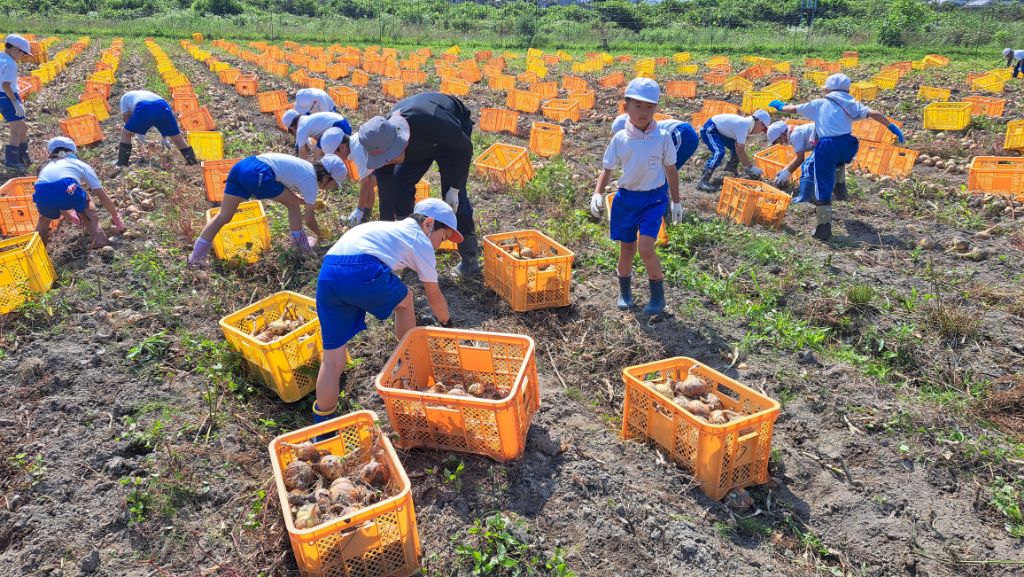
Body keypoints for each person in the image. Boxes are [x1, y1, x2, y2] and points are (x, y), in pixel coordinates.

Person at [311, 197, 460, 426]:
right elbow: (434, 296)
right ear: (429, 223)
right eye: (442, 238)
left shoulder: (384, 228)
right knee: (406, 299)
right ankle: (407, 356)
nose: (439, 245)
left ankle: (322, 425)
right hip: (361, 269)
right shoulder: (419, 240)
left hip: (328, 275)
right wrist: (447, 324)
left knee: (332, 361)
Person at [348, 92, 480, 276]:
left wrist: (455, 187)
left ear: (398, 143)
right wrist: (389, 244)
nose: (387, 162)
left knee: (454, 199)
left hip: (452, 138)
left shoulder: (431, 120)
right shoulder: (380, 143)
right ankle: (410, 247)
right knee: (399, 186)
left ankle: (469, 258)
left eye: (389, 158)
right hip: (419, 145)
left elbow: (464, 148)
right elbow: (387, 195)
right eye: (384, 160)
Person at [769, 73, 904, 240]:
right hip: (849, 144)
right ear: (847, 89)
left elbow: (793, 109)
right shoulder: (851, 102)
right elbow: (874, 113)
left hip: (827, 146)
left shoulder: (819, 103)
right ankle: (841, 188)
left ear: (828, 89)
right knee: (838, 159)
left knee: (822, 185)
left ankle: (823, 228)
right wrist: (892, 128)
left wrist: (781, 106)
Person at [589, 78, 682, 315]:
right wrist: (598, 193)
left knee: (646, 248)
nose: (644, 112)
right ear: (626, 107)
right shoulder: (620, 139)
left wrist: (676, 201)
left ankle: (658, 297)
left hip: (654, 199)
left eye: (649, 107)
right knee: (627, 249)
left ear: (656, 108)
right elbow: (608, 168)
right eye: (638, 106)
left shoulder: (662, 137)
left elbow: (671, 169)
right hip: (627, 200)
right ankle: (625, 291)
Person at [188, 153, 346, 266]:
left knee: (224, 216)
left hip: (243, 166)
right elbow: (309, 219)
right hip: (259, 174)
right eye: (334, 184)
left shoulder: (304, 167)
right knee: (293, 205)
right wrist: (320, 234)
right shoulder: (310, 182)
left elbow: (284, 185)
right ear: (326, 177)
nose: (332, 188)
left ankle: (196, 258)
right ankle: (302, 248)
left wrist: (300, 200)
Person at [32, 137, 124, 248]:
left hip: (42, 191)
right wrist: (115, 216)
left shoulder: (44, 166)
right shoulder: (79, 164)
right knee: (86, 201)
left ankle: (36, 253)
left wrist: (70, 217)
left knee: (44, 218)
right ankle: (100, 240)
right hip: (68, 189)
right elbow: (101, 195)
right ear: (73, 150)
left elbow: (54, 197)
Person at [115, 89, 198, 171]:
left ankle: (122, 163)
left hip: (144, 107)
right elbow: (155, 120)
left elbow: (126, 117)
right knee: (177, 138)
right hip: (163, 106)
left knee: (125, 133)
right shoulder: (143, 94)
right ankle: (192, 162)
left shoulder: (124, 98)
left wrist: (131, 131)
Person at [695, 109, 772, 192]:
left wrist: (748, 167)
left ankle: (731, 170)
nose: (761, 132)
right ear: (760, 123)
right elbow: (740, 150)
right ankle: (703, 180)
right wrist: (751, 167)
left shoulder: (746, 125)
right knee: (719, 152)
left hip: (720, 131)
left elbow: (739, 149)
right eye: (763, 129)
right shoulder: (744, 125)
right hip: (710, 129)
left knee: (735, 149)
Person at [610, 112, 700, 172]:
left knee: (664, 171)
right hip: (682, 135)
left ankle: (660, 198)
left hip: (682, 134)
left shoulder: (646, 131)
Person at [764, 120, 822, 203]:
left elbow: (800, 158)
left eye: (776, 141)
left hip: (828, 139)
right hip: (826, 138)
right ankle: (831, 189)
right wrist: (786, 169)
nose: (779, 144)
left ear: (782, 135)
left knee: (808, 166)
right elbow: (799, 157)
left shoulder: (795, 135)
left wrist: (787, 173)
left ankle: (805, 197)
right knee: (815, 164)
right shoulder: (793, 133)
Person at [1, 34, 32, 173]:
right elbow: (6, 85)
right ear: (15, 50)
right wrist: (15, 102)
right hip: (8, 96)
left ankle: (23, 157)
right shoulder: (10, 64)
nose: (22, 57)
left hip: (4, 96)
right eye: (23, 53)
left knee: (23, 127)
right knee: (16, 130)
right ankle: (12, 162)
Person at [282, 109, 352, 161]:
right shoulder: (307, 119)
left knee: (317, 154)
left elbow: (302, 156)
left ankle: (329, 172)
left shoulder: (301, 129)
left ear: (292, 128)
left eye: (291, 131)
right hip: (345, 125)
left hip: (337, 127)